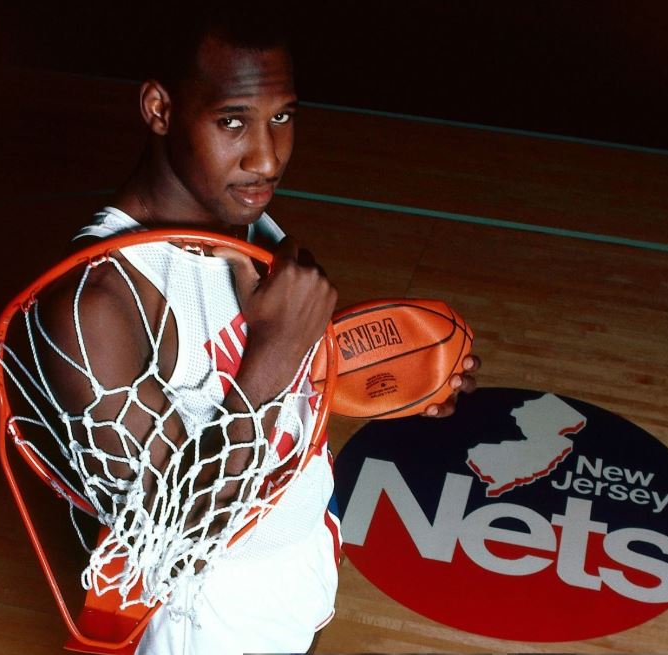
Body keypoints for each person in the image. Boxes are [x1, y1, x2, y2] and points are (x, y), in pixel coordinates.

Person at [37, 6, 480, 654]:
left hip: (296, 571)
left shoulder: (252, 229)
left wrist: (392, 383)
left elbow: (302, 389)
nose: (268, 156)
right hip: (202, 625)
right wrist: (272, 356)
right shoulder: (100, 302)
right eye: (233, 121)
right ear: (160, 108)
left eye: (283, 115)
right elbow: (165, 539)